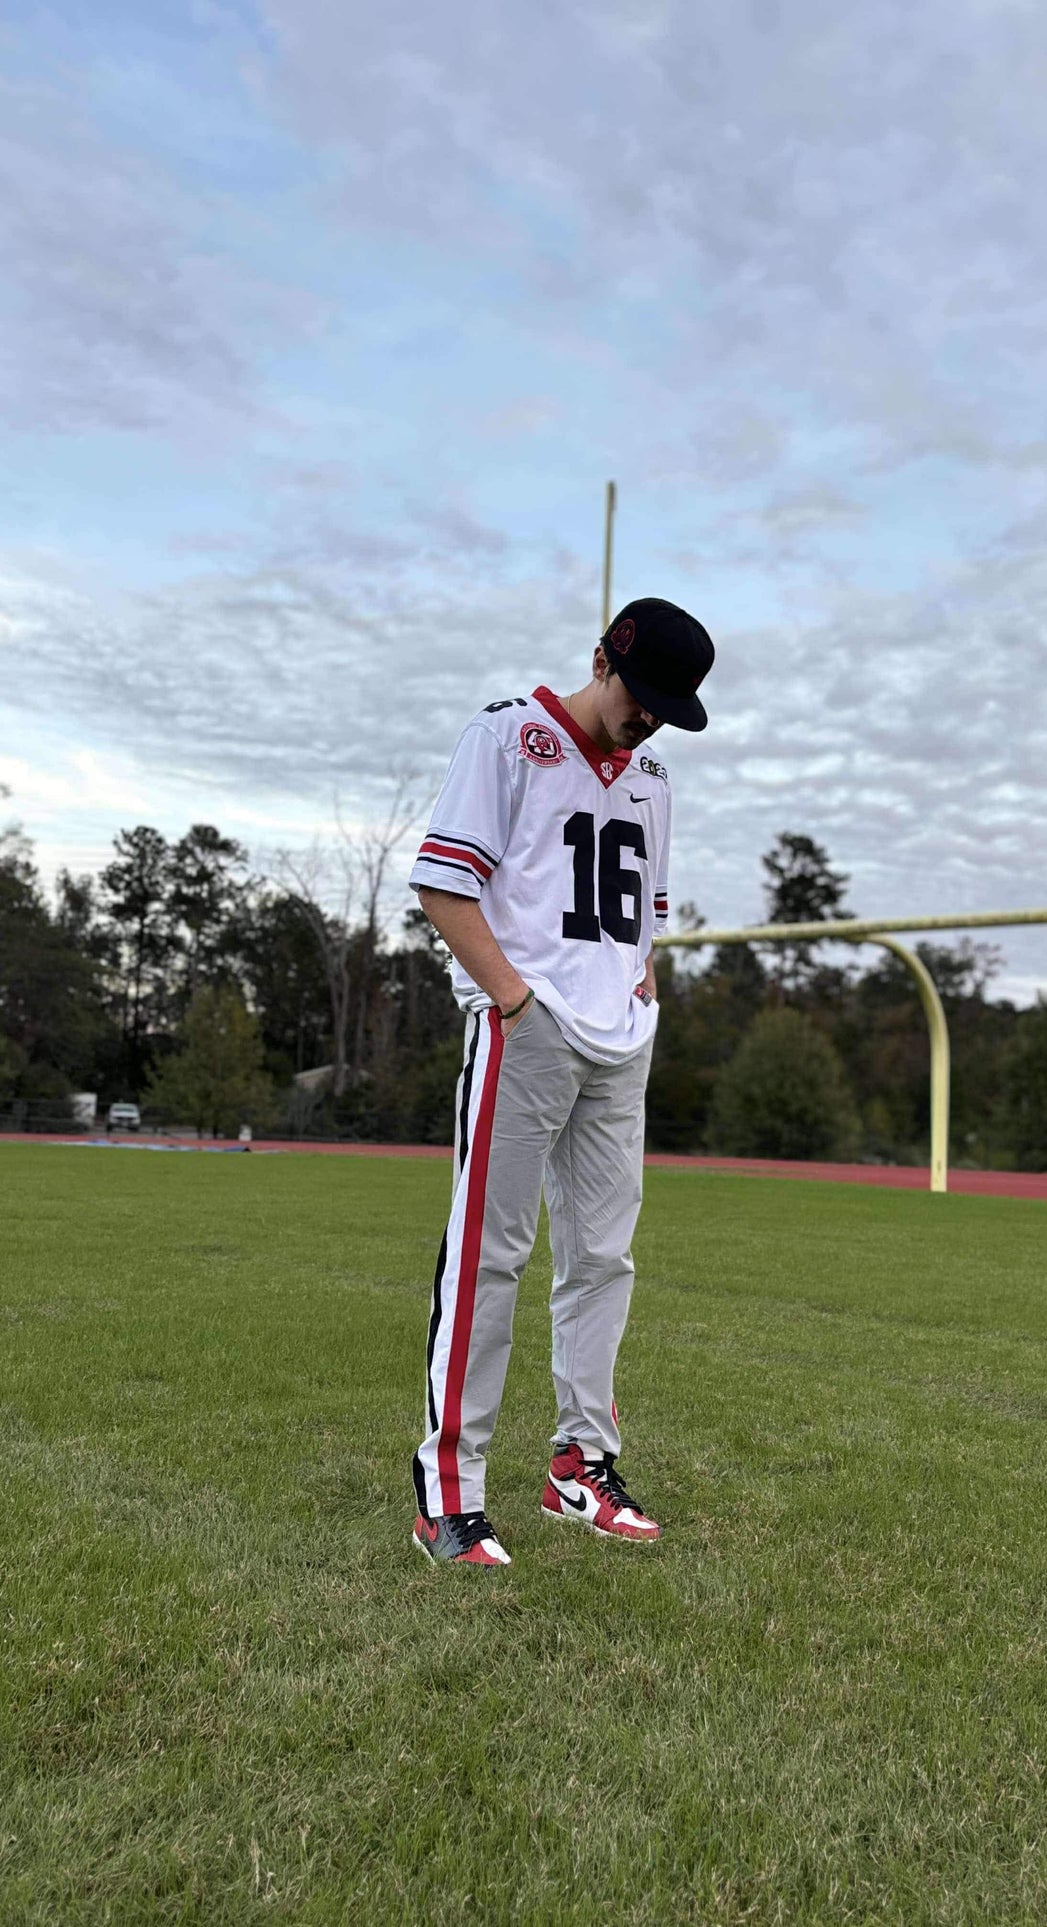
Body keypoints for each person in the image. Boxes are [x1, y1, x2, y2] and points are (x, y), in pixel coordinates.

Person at [407, 597, 715, 1567]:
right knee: (489, 1255)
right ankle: (448, 1492)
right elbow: (442, 882)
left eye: (668, 706)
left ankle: (579, 1463)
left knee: (601, 1260)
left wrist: (641, 999)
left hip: (620, 1041)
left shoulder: (654, 780)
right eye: (640, 696)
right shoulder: (508, 738)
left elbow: (644, 921)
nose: (647, 718)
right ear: (600, 659)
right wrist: (511, 1001)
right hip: (527, 1031)